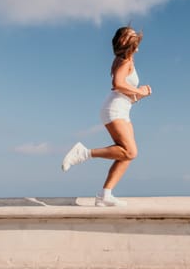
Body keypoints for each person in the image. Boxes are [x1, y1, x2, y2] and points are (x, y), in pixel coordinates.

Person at [61, 26, 152, 207]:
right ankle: (84, 153)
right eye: (131, 36)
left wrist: (137, 95)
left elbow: (123, 88)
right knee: (130, 151)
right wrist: (139, 90)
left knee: (127, 154)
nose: (135, 37)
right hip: (114, 109)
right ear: (124, 42)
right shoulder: (125, 60)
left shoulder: (124, 59)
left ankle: (105, 195)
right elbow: (117, 83)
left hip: (123, 109)